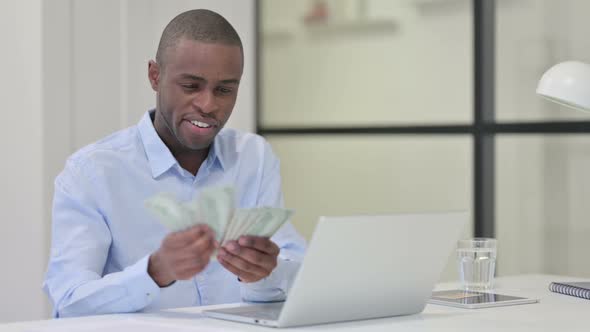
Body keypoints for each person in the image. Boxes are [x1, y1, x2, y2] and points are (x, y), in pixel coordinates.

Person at [43, 9, 306, 318]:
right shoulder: (90, 173)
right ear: (155, 76)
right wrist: (154, 272)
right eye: (191, 86)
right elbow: (69, 304)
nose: (209, 105)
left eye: (225, 89)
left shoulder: (254, 157)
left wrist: (264, 274)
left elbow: (299, 277)